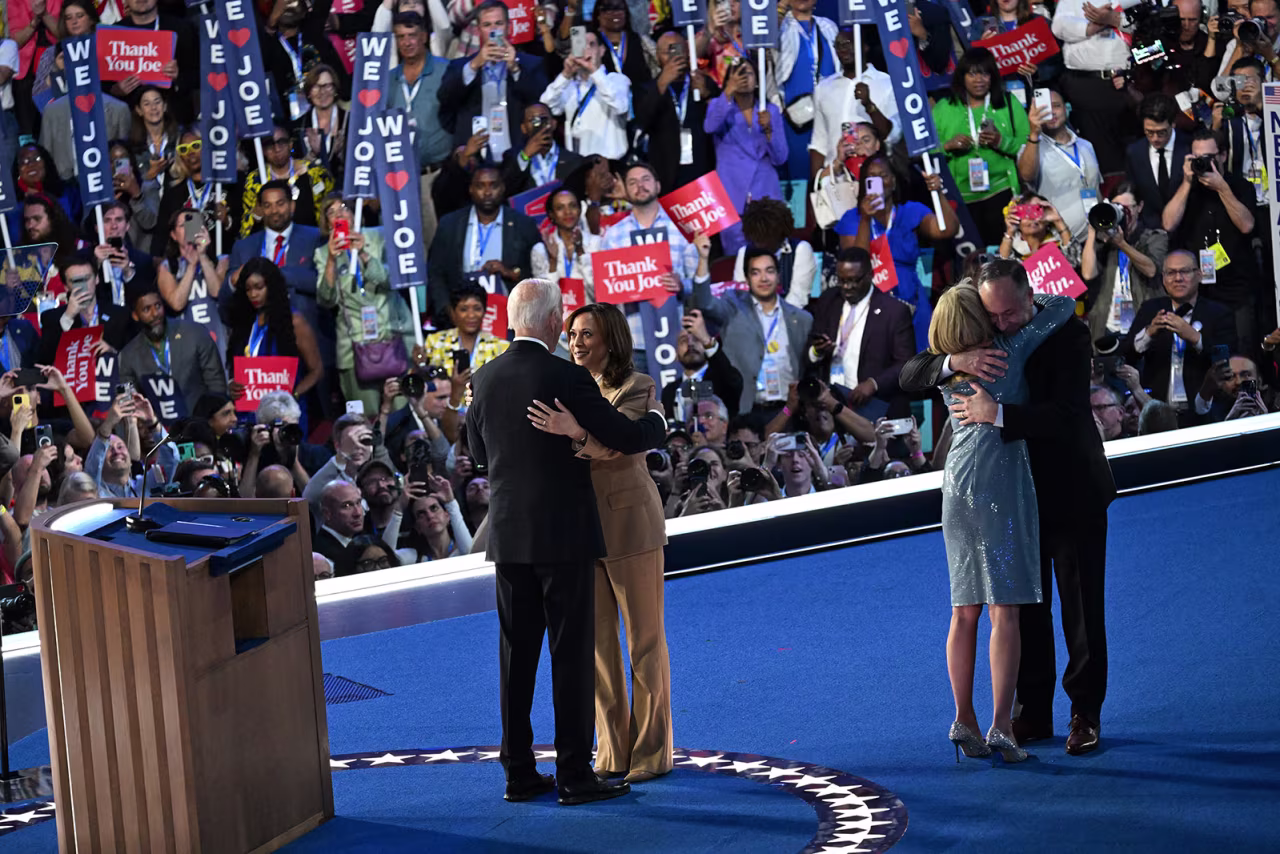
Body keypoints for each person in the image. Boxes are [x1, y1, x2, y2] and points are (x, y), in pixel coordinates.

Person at [900, 258, 1117, 756]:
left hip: (1069, 488)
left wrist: (995, 412)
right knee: (1023, 606)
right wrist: (956, 362)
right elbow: (914, 370)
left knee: (1081, 608)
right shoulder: (980, 345)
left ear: (1029, 295)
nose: (1001, 325)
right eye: (991, 316)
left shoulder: (1065, 332)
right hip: (1008, 494)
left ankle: (1084, 713)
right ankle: (1032, 714)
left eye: (1010, 314)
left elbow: (1067, 416)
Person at [465, 277, 667, 805]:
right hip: (567, 538)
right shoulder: (566, 377)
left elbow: (475, 452)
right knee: (572, 655)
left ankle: (518, 773)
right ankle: (575, 775)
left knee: (516, 658)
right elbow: (624, 437)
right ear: (555, 323)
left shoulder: (483, 378)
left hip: (508, 538)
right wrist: (658, 424)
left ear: (512, 322)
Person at [925, 282, 1076, 761]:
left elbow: (914, 369)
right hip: (998, 483)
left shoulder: (947, 368)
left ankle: (962, 718)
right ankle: (1001, 725)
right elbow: (1063, 305)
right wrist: (1014, 302)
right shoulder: (1008, 350)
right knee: (1003, 611)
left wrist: (953, 358)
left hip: (956, 485)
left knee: (963, 610)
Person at [527, 302, 672, 785]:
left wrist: (575, 434)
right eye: (571, 334)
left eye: (587, 334)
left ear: (611, 339)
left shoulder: (638, 386)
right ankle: (612, 751)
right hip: (580, 530)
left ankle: (652, 753)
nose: (576, 342)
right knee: (597, 649)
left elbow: (623, 444)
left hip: (631, 526)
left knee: (644, 643)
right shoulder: (564, 386)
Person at [836, 153, 957, 348]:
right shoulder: (852, 218)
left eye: (883, 175)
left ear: (893, 182)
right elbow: (855, 263)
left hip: (911, 298)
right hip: (870, 299)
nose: (877, 181)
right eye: (871, 177)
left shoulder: (910, 211)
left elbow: (947, 230)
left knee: (918, 360)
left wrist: (938, 192)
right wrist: (866, 220)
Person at [1161, 128, 1260, 350]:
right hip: (1198, 291)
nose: (1203, 164)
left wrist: (1222, 188)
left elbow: (1247, 225)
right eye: (1198, 159)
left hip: (1236, 287)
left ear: (1223, 155)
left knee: (1242, 352)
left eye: (1209, 158)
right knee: (1204, 352)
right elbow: (1168, 223)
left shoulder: (1240, 186)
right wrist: (1187, 183)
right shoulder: (1184, 186)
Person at [692, 248, 814, 417]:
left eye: (769, 271)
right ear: (747, 279)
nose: (764, 278)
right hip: (746, 412)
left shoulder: (802, 319)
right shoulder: (732, 307)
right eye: (756, 273)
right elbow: (705, 303)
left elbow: (808, 366)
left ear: (779, 275)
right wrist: (703, 258)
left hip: (789, 411)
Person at [1119, 250, 1238, 422]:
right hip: (1157, 409)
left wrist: (1194, 337)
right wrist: (1148, 334)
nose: (1178, 278)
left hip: (1204, 409)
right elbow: (1126, 356)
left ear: (1198, 275)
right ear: (1163, 279)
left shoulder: (1219, 313)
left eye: (1184, 271)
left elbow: (1229, 361)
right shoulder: (1151, 309)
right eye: (1171, 273)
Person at [314, 195, 403, 414]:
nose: (339, 214)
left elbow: (391, 281)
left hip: (388, 339)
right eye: (331, 212)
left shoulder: (380, 236)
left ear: (355, 214)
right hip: (353, 348)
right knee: (365, 417)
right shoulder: (322, 253)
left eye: (344, 208)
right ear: (327, 223)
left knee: (401, 412)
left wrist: (363, 253)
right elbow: (326, 299)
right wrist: (332, 262)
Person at [934, 48, 1030, 247]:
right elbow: (927, 152)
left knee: (1006, 254)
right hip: (961, 199)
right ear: (962, 77)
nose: (979, 80)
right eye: (972, 74)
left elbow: (1028, 145)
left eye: (985, 73)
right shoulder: (944, 107)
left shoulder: (1008, 102)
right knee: (972, 261)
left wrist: (1000, 142)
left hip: (1003, 193)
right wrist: (947, 146)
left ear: (992, 77)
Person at [427, 166, 542, 328]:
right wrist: (449, 311)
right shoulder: (450, 225)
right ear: (471, 190)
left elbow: (539, 275)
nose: (487, 192)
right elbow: (435, 272)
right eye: (481, 186)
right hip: (460, 319)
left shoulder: (523, 225)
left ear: (502, 188)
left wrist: (511, 273)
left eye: (493, 185)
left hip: (508, 321)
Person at [807, 247, 915, 419]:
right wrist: (816, 352)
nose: (847, 287)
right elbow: (809, 351)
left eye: (854, 280)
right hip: (832, 407)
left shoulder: (894, 311)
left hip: (875, 408)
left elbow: (907, 364)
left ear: (870, 275)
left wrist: (874, 384)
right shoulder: (829, 300)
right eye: (841, 281)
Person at [436, 0, 549, 158]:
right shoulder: (459, 66)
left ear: (509, 28)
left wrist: (515, 69)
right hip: (475, 158)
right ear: (479, 30)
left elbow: (541, 103)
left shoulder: (531, 64)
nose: (493, 29)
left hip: (518, 157)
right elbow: (445, 99)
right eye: (487, 25)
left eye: (499, 23)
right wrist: (474, 65)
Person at [704, 58, 787, 254]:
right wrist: (728, 92)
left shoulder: (770, 111)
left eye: (748, 73)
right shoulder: (720, 106)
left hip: (765, 192)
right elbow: (709, 127)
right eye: (738, 73)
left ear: (757, 80)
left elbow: (781, 157)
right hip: (732, 194)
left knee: (770, 254)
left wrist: (769, 131)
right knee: (736, 259)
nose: (744, 78)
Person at [386, 12, 453, 245]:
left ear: (424, 36)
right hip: (399, 178)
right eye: (400, 36)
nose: (407, 42)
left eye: (412, 35)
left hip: (436, 175)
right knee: (409, 248)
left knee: (440, 245)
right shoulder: (388, 80)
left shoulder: (445, 72)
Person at [224, 259, 325, 410]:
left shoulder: (294, 322)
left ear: (272, 286)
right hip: (250, 413)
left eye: (259, 287)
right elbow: (236, 366)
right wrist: (232, 384)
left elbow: (316, 371)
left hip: (286, 413)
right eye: (248, 289)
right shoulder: (243, 324)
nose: (253, 294)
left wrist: (293, 395)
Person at [1052, 0, 1136, 175]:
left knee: (1132, 152)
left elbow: (1150, 29)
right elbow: (1058, 27)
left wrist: (1114, 19)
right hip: (1087, 86)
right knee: (1101, 157)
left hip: (1129, 84)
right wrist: (1092, 26)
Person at [117, 286, 227, 417]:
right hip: (159, 432)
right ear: (135, 315)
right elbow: (127, 405)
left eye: (158, 306)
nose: (155, 313)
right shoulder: (127, 356)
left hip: (200, 425)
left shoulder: (195, 333)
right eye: (147, 309)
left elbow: (217, 385)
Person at [1081, 182, 1168, 343]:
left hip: (1145, 326)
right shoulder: (1103, 241)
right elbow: (1087, 273)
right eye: (1118, 207)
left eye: (1128, 207)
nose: (1123, 212)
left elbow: (1151, 269)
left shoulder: (1154, 236)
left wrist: (1122, 244)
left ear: (1139, 207)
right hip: (1106, 326)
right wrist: (1093, 229)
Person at [631, 30, 717, 193]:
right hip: (667, 174)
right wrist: (662, 83)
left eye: (678, 50)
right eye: (668, 51)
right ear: (657, 57)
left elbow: (720, 119)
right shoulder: (646, 89)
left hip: (702, 171)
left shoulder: (702, 83)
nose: (674, 57)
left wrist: (707, 96)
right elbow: (643, 121)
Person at [1016, 87, 1101, 243]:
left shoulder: (1085, 145)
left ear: (1066, 108)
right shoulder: (1030, 149)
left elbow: (1096, 187)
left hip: (1096, 235)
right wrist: (1034, 134)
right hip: (1059, 242)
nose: (1052, 112)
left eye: (1056, 106)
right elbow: (1026, 174)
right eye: (1044, 107)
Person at [540, 29, 630, 159]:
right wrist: (565, 75)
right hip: (578, 163)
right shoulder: (568, 85)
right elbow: (545, 106)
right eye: (581, 45)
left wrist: (594, 70)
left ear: (602, 50)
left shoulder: (616, 80)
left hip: (609, 162)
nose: (586, 49)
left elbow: (620, 106)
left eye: (591, 44)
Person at [776, 0, 838, 180]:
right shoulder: (782, 25)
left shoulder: (828, 26)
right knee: (801, 176)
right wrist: (781, 7)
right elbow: (765, 38)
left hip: (829, 112)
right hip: (797, 119)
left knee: (831, 173)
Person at [731, 199, 817, 310]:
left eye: (765, 237)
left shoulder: (801, 250)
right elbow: (740, 295)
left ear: (780, 235)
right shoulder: (744, 253)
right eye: (756, 238)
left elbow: (797, 299)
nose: (759, 243)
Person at [661, 309, 745, 421]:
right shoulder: (669, 390)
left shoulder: (722, 379)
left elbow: (734, 382)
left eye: (696, 339)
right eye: (683, 340)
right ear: (676, 354)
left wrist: (706, 340)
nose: (690, 344)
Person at [1123, 94, 1190, 230]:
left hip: (1188, 230)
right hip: (1150, 234)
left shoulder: (1189, 147)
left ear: (1173, 124)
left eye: (1161, 132)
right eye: (1149, 132)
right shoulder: (1135, 152)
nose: (1155, 139)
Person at [530, 188, 601, 297]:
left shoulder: (596, 243)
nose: (568, 212)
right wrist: (552, 262)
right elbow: (544, 300)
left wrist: (580, 252)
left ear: (580, 210)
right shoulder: (541, 250)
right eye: (560, 208)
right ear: (551, 215)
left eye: (572, 206)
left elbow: (599, 294)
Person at [500, 103, 583, 196]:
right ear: (523, 128)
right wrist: (525, 156)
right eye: (533, 120)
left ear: (553, 123)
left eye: (544, 119)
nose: (539, 124)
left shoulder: (575, 160)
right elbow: (503, 191)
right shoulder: (511, 157)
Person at [314, 480, 367, 576]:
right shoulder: (324, 554)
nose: (358, 513)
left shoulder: (360, 538)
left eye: (358, 503)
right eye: (347, 506)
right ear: (327, 514)